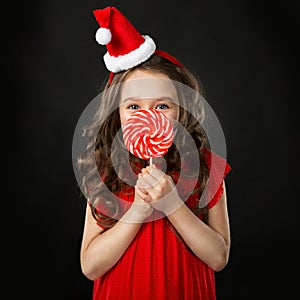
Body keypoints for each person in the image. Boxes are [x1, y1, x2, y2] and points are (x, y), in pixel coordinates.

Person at [77, 6, 232, 300]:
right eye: (133, 107)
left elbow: (218, 257)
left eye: (162, 106)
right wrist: (137, 211)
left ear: (181, 111)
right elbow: (91, 266)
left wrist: (172, 203)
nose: (148, 116)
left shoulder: (207, 168)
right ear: (117, 113)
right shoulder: (106, 172)